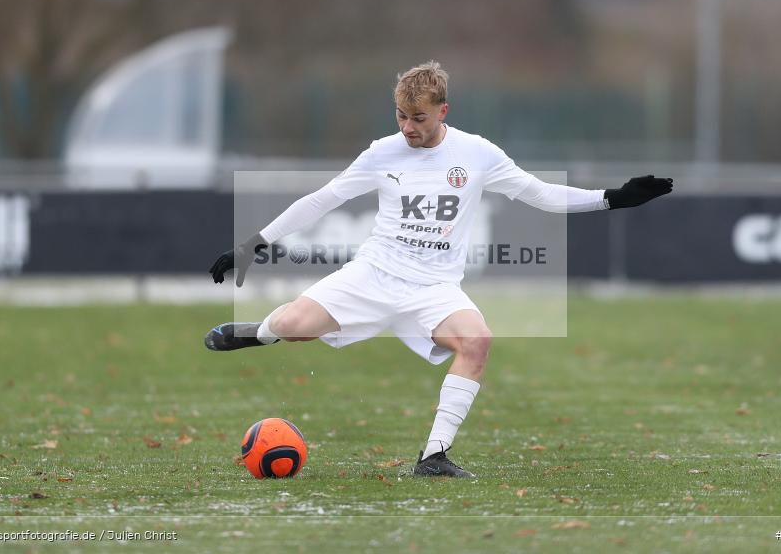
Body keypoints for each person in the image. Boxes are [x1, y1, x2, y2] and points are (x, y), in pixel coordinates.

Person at [205, 61, 673, 478]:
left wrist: (611, 198)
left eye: (419, 118)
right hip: (374, 274)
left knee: (478, 340)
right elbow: (322, 200)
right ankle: (259, 332)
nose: (408, 128)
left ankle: (434, 456)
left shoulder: (478, 154)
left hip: (433, 288)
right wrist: (254, 244)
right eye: (401, 116)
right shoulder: (382, 153)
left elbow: (540, 194)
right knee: (294, 326)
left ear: (443, 111)